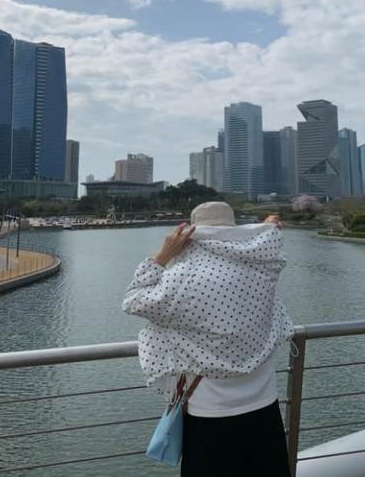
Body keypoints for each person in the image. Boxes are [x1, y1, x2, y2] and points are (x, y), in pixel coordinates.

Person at [123, 201, 293, 476]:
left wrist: (162, 256)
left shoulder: (182, 278)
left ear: (190, 234)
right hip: (265, 405)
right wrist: (265, 228)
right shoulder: (263, 267)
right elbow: (263, 246)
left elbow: (133, 300)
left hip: (210, 413)